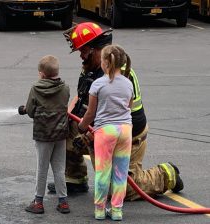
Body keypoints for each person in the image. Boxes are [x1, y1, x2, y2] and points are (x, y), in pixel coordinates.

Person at [47, 22, 184, 201]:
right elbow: (80, 98)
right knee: (63, 126)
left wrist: (87, 137)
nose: (81, 56)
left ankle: (165, 175)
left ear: (97, 50)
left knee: (118, 189)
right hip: (97, 129)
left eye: (83, 51)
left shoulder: (120, 76)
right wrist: (65, 117)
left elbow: (117, 120)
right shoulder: (90, 67)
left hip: (125, 136)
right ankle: (74, 177)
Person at [78, 45, 134, 220]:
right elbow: (129, 107)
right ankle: (117, 210)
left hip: (105, 131)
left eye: (102, 59)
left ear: (106, 63)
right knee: (120, 173)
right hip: (125, 130)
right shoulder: (128, 83)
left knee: (103, 172)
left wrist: (81, 126)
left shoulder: (98, 84)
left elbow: (91, 112)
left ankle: (100, 209)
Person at [18, 55, 70, 214]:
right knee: (59, 169)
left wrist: (25, 109)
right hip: (60, 134)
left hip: (43, 135)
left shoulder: (36, 88)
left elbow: (31, 112)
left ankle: (38, 202)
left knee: (42, 168)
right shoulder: (65, 88)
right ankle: (63, 202)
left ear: (41, 74)